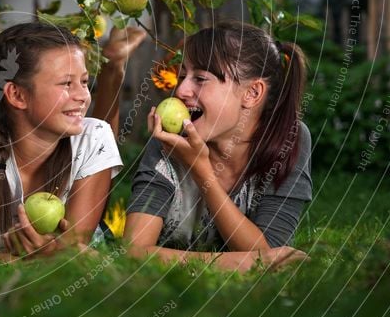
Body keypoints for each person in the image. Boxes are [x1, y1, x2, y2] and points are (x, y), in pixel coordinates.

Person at [124, 21, 311, 272]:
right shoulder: (171, 138)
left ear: (252, 93)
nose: (181, 90)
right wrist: (239, 263)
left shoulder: (288, 138)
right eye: (182, 76)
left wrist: (201, 171)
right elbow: (133, 251)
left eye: (200, 78)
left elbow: (271, 249)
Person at [0, 22, 126, 257]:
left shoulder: (94, 137)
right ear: (17, 95)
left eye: (84, 82)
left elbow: (72, 252)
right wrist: (29, 262)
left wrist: (52, 254)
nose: (83, 95)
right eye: (67, 83)